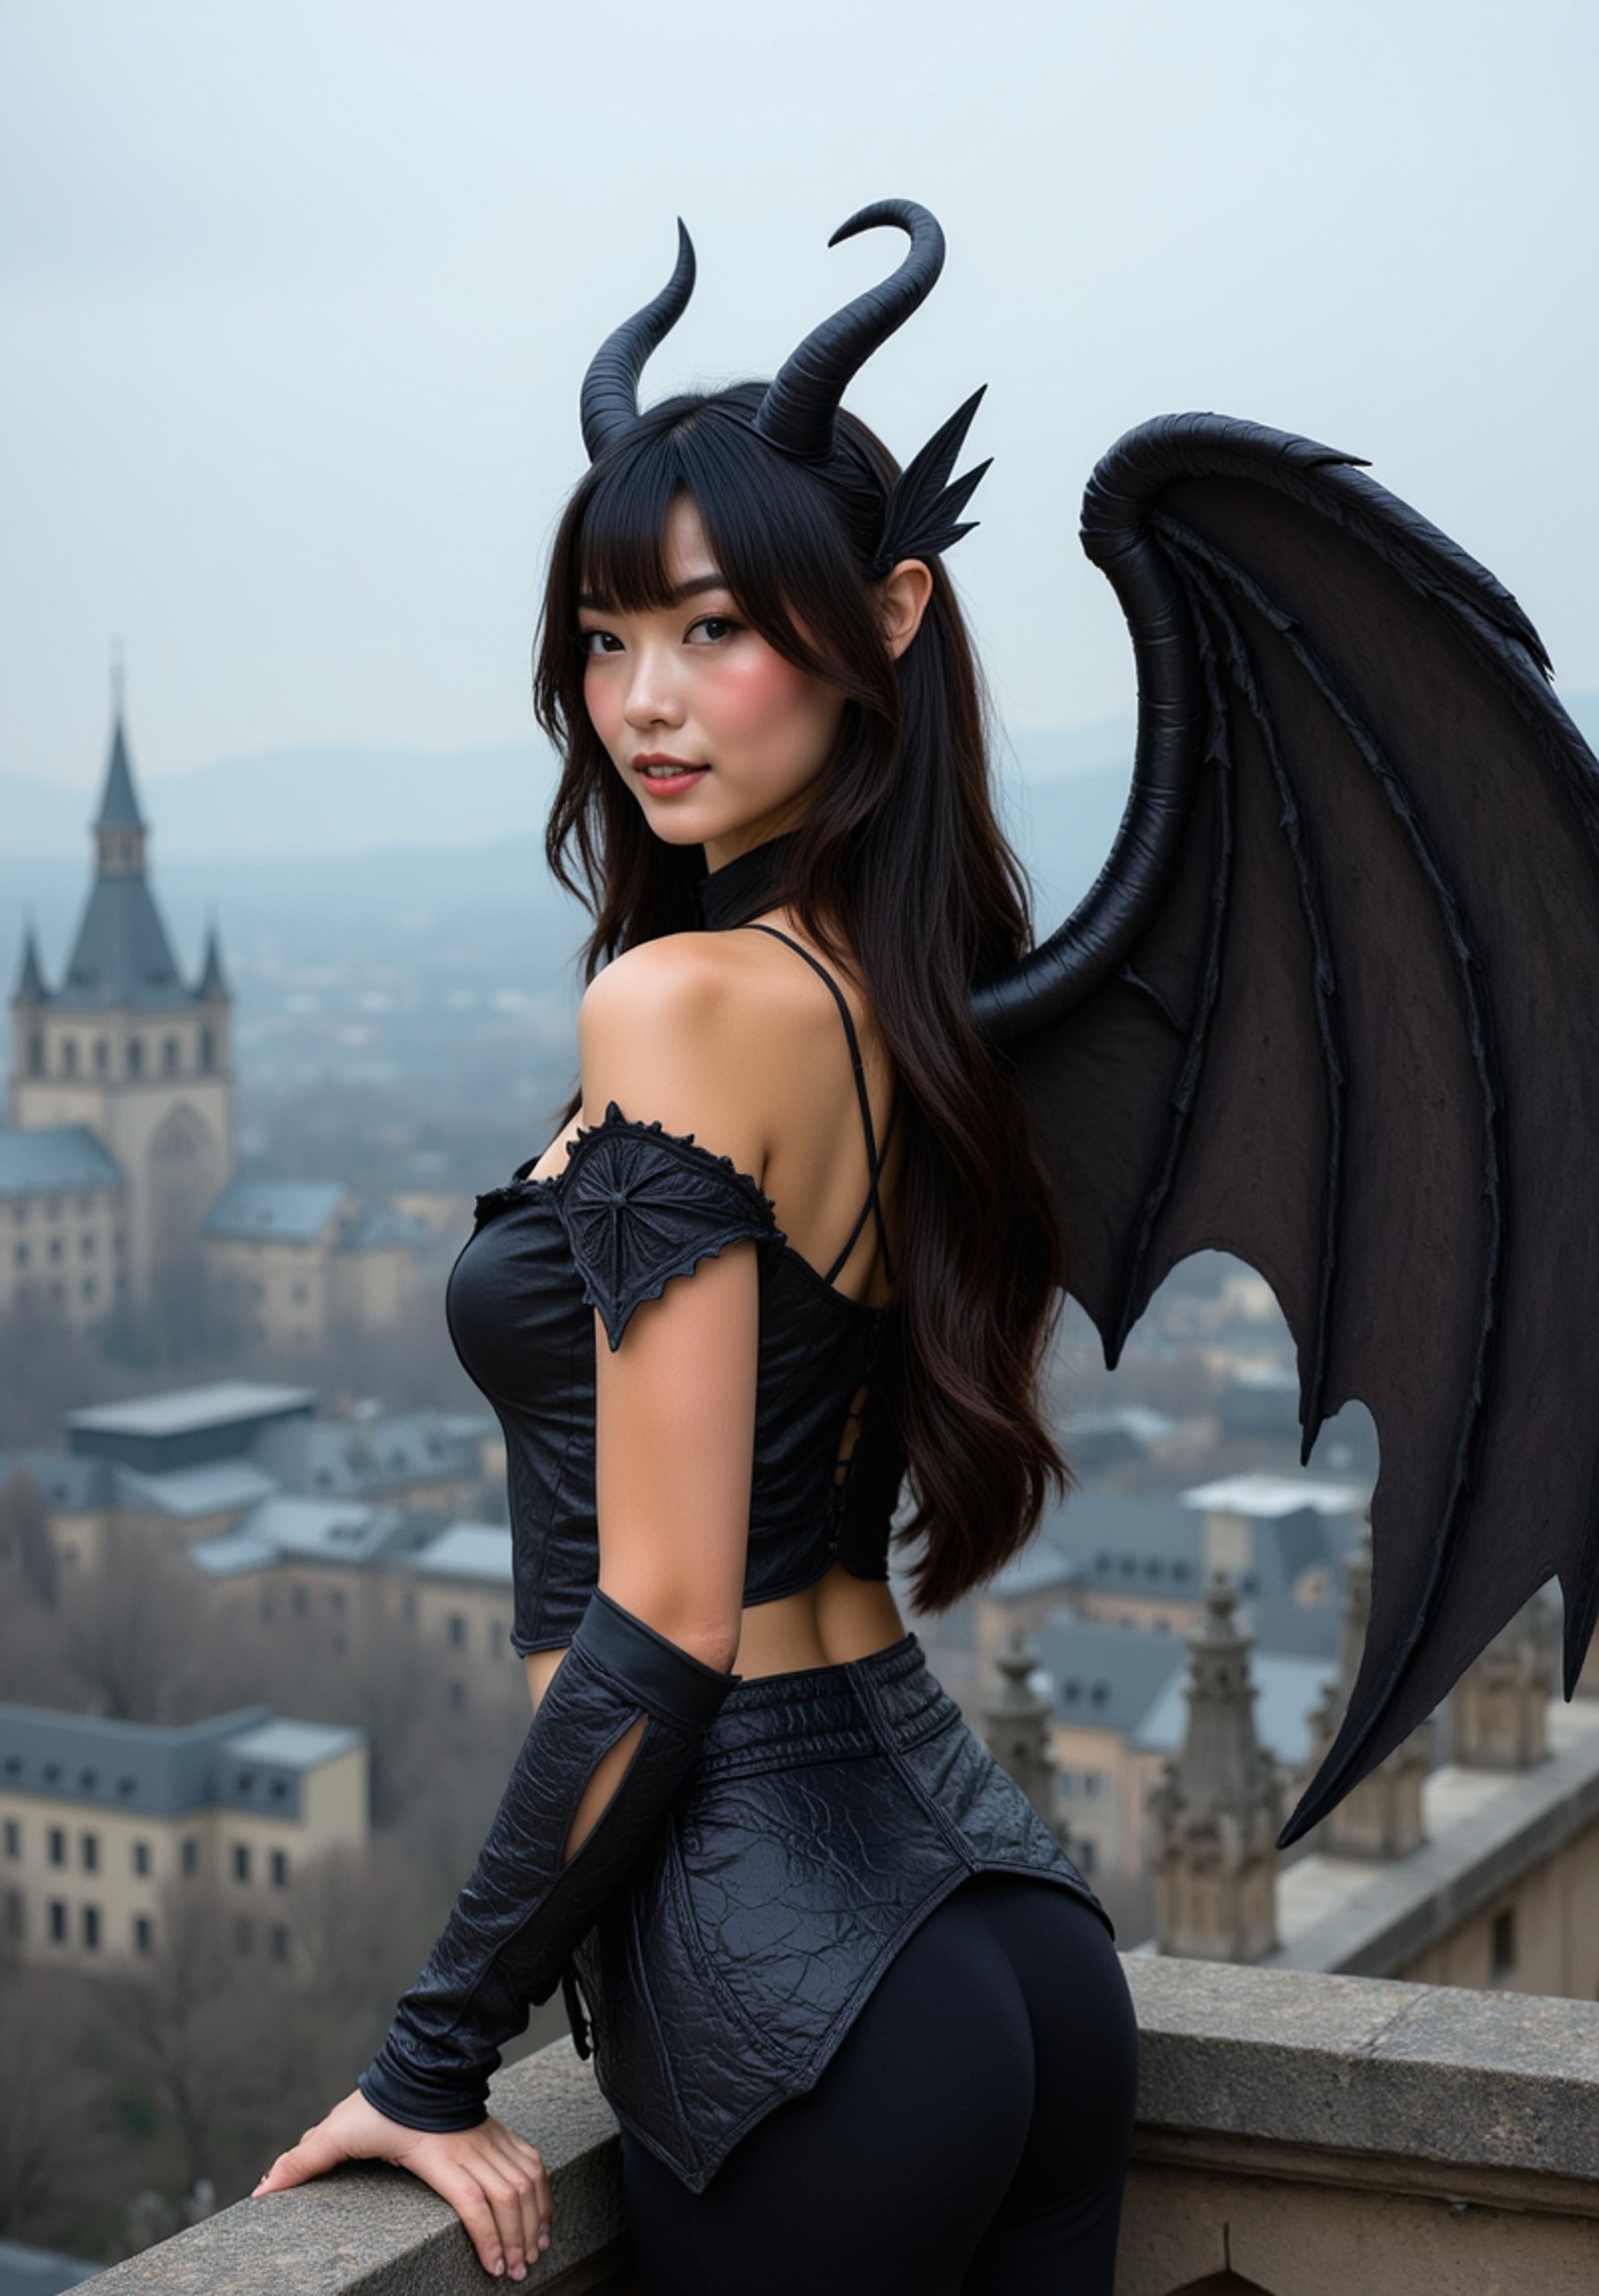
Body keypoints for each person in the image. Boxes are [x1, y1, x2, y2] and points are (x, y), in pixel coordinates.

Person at [255, 201, 1140, 2295]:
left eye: (713, 629)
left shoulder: (679, 1008)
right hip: (1002, 1924)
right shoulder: (913, 988)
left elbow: (659, 1618)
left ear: (887, 613)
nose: (644, 700)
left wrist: (430, 2044)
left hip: (787, 1983)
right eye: (604, 634)